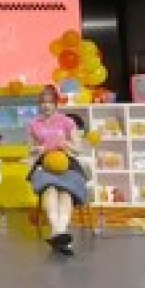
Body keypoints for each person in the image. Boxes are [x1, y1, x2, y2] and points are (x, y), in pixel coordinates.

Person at [27, 85, 88, 256]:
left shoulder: (67, 122)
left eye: (49, 102)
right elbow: (30, 150)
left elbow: (78, 149)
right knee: (50, 189)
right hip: (45, 164)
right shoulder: (34, 124)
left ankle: (60, 232)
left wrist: (65, 143)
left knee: (66, 191)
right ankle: (59, 231)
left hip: (67, 163)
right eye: (43, 102)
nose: (46, 106)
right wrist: (38, 149)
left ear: (55, 104)